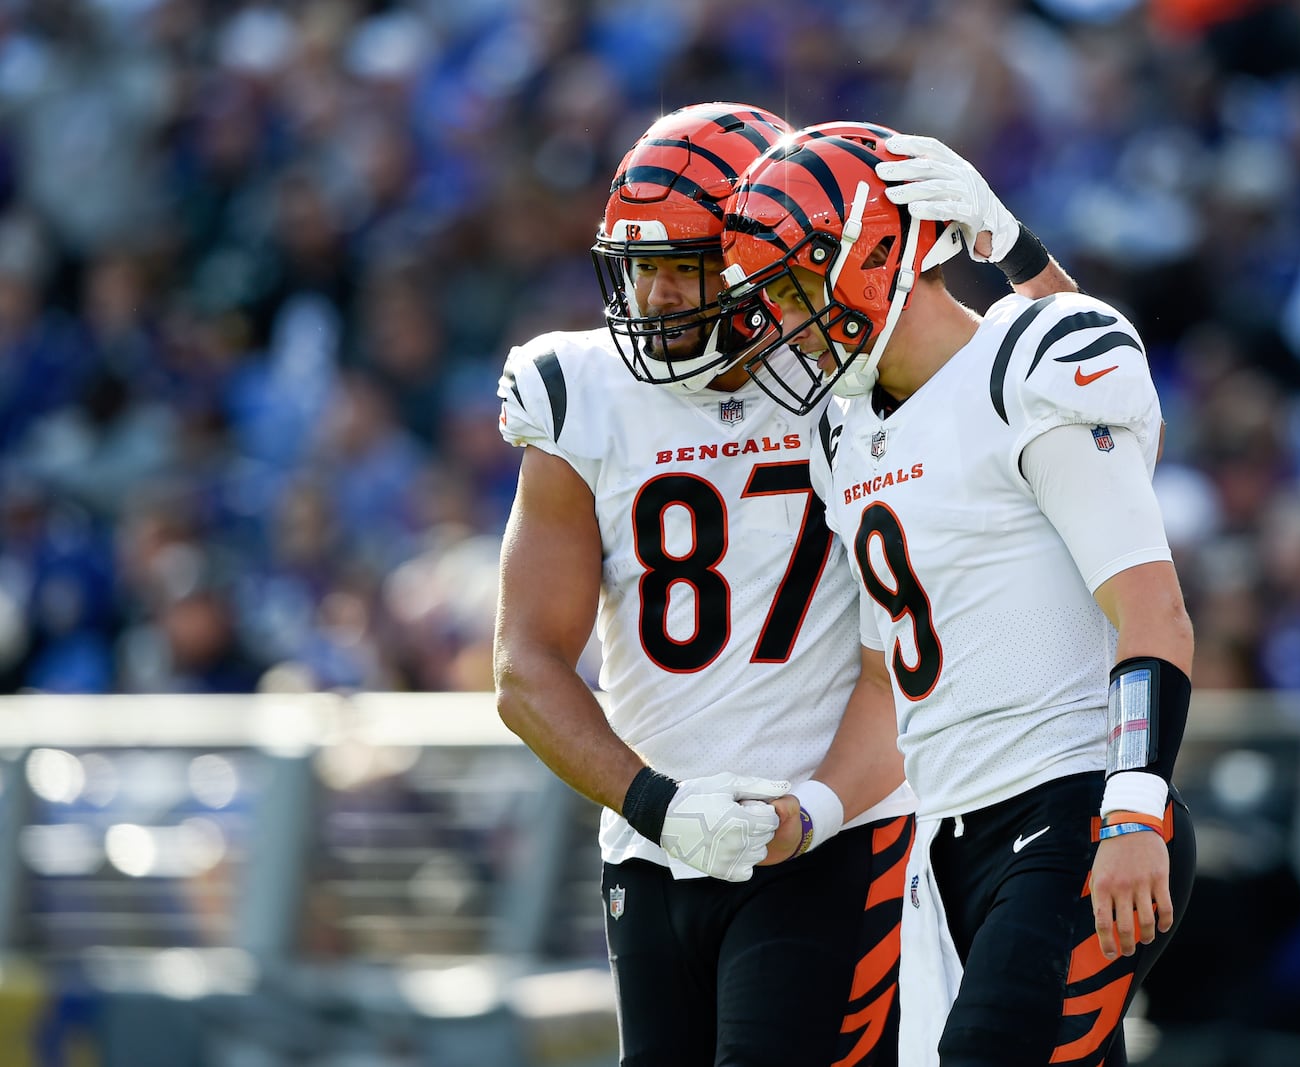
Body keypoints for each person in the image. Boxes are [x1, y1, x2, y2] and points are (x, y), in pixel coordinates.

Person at [492, 102, 1069, 1065]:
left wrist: (1015, 251)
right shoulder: (578, 391)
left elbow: (1079, 390)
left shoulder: (855, 368)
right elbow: (523, 667)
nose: (662, 297)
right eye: (645, 267)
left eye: (689, 265)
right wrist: (659, 805)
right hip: (650, 846)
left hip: (835, 834)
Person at [720, 121, 1199, 1066]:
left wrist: (1136, 801)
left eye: (791, 282)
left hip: (1072, 809)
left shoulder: (1030, 361)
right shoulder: (843, 434)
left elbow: (1156, 612)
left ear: (864, 256)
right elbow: (885, 678)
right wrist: (815, 808)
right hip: (944, 841)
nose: (779, 316)